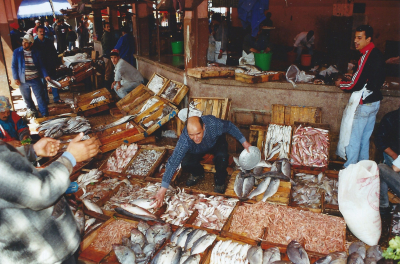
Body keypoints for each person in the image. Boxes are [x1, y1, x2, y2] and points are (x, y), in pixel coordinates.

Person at [0, 131, 100, 263]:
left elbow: (6, 161)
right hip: (42, 255)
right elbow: (40, 192)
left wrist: (32, 150)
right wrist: (70, 158)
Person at [152, 115, 252, 207]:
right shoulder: (185, 139)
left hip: (215, 142)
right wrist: (161, 191)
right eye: (192, 134)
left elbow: (230, 126)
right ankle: (197, 173)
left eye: (198, 133)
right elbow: (173, 162)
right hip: (196, 149)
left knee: (222, 157)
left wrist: (244, 143)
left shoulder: (213, 124)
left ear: (204, 127)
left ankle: (220, 181)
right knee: (186, 163)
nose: (195, 138)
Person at [335, 25, 385, 168]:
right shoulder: (377, 53)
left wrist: (341, 84)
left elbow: (355, 85)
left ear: (368, 39)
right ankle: (363, 172)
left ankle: (349, 171)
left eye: (359, 38)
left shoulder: (367, 55)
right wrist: (356, 76)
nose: (355, 41)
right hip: (374, 103)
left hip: (363, 104)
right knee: (364, 139)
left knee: (353, 139)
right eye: (355, 37)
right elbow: (369, 76)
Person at [12, 34, 49, 118]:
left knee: (40, 97)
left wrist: (46, 75)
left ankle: (44, 114)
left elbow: (41, 65)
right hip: (22, 80)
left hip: (35, 78)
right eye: (23, 42)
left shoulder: (36, 52)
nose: (23, 44)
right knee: (27, 98)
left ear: (31, 44)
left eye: (26, 42)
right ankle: (33, 113)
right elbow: (13, 66)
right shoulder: (17, 52)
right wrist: (15, 78)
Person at [375, 107, 400, 213]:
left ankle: (383, 206)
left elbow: (395, 168)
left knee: (381, 168)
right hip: (395, 158)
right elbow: (380, 140)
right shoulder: (391, 118)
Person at [34, 26, 63, 104]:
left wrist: (57, 63)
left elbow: (54, 52)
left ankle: (56, 98)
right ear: (37, 32)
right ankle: (46, 100)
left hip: (50, 65)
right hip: (40, 67)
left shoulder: (49, 41)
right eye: (40, 31)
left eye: (43, 31)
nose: (42, 33)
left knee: (54, 82)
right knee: (43, 85)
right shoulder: (34, 43)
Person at [102, 22, 114, 90]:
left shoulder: (107, 34)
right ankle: (107, 88)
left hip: (107, 55)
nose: (109, 28)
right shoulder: (106, 35)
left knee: (108, 71)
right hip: (107, 56)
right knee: (108, 72)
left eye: (109, 26)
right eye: (107, 27)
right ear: (104, 28)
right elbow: (107, 47)